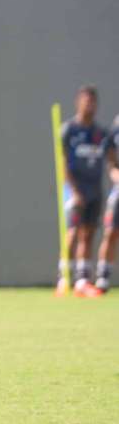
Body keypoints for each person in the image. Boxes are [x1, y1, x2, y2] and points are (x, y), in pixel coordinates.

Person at [56, 85, 106, 298]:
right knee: (73, 232)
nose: (89, 105)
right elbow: (62, 163)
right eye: (86, 101)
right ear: (78, 102)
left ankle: (82, 280)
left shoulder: (99, 133)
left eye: (93, 101)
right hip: (73, 190)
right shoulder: (69, 130)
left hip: (94, 189)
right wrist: (73, 190)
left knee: (89, 233)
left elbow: (108, 159)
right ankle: (63, 278)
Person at [94, 114, 119, 294]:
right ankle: (102, 278)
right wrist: (115, 174)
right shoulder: (115, 130)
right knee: (110, 232)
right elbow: (111, 160)